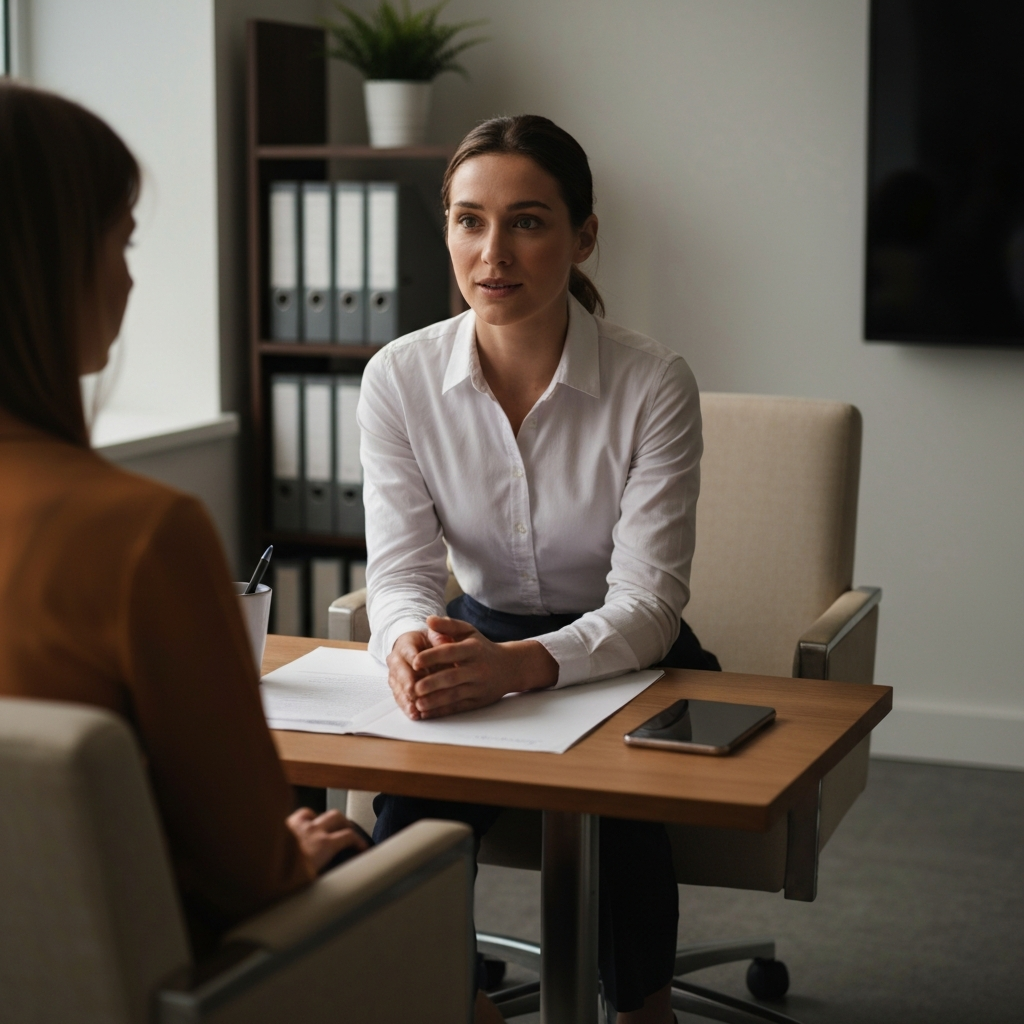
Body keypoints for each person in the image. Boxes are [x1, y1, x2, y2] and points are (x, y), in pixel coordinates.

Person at [359, 115, 720, 1024]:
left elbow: (648, 604)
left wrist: (518, 666)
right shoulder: (397, 379)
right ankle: (447, 999)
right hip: (474, 632)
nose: (493, 253)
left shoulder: (652, 381)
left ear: (583, 235)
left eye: (527, 221)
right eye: (468, 221)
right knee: (407, 822)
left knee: (622, 799)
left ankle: (641, 1006)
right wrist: (406, 644)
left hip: (633, 654)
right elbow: (400, 575)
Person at [0, 82, 368, 959]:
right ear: (49, 263)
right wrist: (304, 851)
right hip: (156, 976)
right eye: (120, 242)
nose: (128, 277)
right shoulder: (135, 535)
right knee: (385, 869)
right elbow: (254, 872)